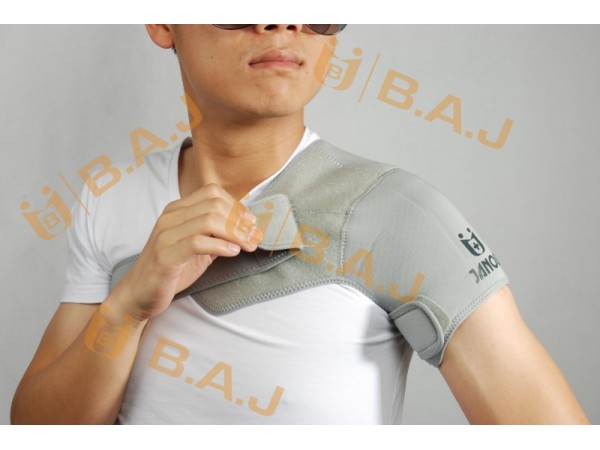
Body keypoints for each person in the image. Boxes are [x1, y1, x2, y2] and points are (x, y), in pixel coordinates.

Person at [11, 24, 590, 424]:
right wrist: (126, 309)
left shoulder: (400, 215)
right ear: (163, 23)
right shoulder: (108, 198)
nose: (282, 22)